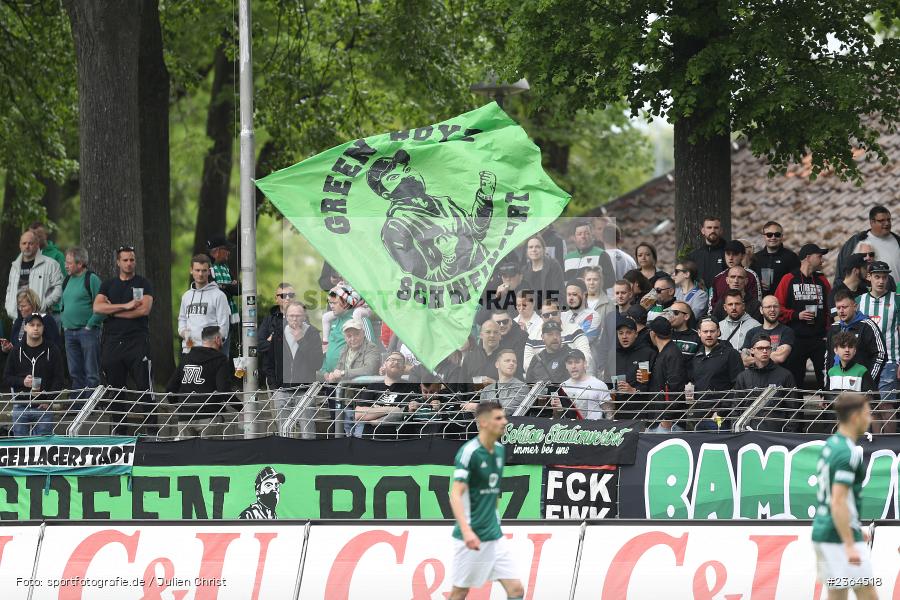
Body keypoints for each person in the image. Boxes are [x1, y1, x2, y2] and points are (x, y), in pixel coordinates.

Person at [448, 402, 524, 600]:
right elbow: (455, 494)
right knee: (459, 592)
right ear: (483, 422)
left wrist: (495, 520)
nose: (504, 422)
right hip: (472, 536)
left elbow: (493, 492)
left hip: (494, 535)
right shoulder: (469, 452)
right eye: (498, 418)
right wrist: (467, 531)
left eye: (504, 417)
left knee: (516, 589)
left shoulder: (499, 451)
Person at [811, 392, 877, 600]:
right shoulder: (846, 453)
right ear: (856, 417)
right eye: (868, 413)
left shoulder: (832, 444)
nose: (871, 418)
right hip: (838, 537)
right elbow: (838, 501)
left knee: (837, 595)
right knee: (868, 595)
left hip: (824, 531)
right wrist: (849, 543)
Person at [93, 246, 154, 394]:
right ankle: (118, 418)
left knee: (144, 384)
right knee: (115, 387)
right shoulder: (108, 285)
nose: (129, 263)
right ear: (118, 262)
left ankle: (150, 417)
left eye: (132, 260)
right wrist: (126, 306)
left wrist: (113, 312)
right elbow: (97, 307)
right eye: (125, 260)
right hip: (113, 341)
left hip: (137, 340)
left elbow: (143, 310)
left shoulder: (143, 284)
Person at [774, 243, 832, 389]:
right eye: (819, 256)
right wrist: (795, 315)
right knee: (795, 378)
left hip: (819, 338)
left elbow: (830, 308)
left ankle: (826, 410)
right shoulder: (788, 279)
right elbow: (777, 307)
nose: (822, 260)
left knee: (825, 377)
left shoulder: (822, 280)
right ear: (808, 257)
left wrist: (828, 331)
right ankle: (796, 412)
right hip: (795, 338)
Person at [165, 325, 236, 439]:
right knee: (210, 454)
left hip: (185, 417)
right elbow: (223, 390)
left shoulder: (187, 358)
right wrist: (241, 408)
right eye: (222, 339)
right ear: (217, 339)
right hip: (209, 415)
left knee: (187, 454)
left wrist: (181, 408)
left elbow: (170, 388)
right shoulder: (220, 359)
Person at [856, 260, 900, 434]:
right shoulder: (859, 301)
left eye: (884, 277)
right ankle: (876, 445)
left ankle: (890, 446)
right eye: (877, 277)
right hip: (866, 361)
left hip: (890, 359)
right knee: (870, 403)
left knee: (886, 403)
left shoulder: (896, 300)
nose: (881, 281)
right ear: (869, 277)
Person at [2, 313, 64, 436]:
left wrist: (49, 400)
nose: (35, 328)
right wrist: (22, 381)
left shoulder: (52, 349)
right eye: (32, 325)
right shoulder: (16, 350)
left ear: (43, 328)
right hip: (20, 405)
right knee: (21, 447)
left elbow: (59, 379)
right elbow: (6, 378)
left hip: (43, 407)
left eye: (39, 325)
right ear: (25, 327)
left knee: (43, 448)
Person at [264, 302, 323, 427]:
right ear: (285, 316)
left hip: (305, 391)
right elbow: (270, 362)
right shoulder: (279, 333)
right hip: (282, 390)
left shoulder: (312, 333)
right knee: (284, 432)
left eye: (298, 315)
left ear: (304, 316)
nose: (294, 319)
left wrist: (301, 340)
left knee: (307, 433)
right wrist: (274, 386)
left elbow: (317, 363)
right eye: (291, 316)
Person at [60, 246, 104, 396]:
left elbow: (102, 305)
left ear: (80, 264)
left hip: (87, 332)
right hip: (69, 333)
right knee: (74, 371)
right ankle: (77, 405)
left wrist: (90, 325)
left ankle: (90, 407)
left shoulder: (91, 279)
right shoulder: (67, 280)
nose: (66, 265)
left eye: (69, 263)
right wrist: (64, 324)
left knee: (91, 372)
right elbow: (63, 303)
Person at [735, 333, 798, 431]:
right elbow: (737, 408)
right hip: (747, 434)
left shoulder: (785, 375)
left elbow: (793, 409)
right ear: (752, 351)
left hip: (776, 434)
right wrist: (737, 433)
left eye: (768, 348)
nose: (764, 351)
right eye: (760, 348)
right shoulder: (743, 377)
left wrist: (787, 434)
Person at [690, 318, 743, 429]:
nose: (709, 335)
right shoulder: (696, 356)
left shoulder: (731, 354)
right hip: (698, 416)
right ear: (699, 333)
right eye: (705, 332)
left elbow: (739, 386)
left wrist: (721, 412)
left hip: (720, 417)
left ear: (718, 332)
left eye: (712, 331)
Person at [825, 289, 886, 386]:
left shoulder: (867, 326)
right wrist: (827, 386)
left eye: (844, 307)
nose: (841, 311)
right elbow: (828, 357)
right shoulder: (834, 328)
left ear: (855, 306)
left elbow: (880, 354)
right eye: (838, 308)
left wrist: (867, 381)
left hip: (860, 385)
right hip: (836, 383)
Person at [353, 352, 418, 437]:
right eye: (392, 359)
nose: (395, 362)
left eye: (399, 361)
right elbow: (358, 414)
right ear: (385, 364)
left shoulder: (410, 388)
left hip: (398, 441)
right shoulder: (373, 386)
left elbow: (401, 414)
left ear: (404, 368)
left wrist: (373, 417)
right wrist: (390, 409)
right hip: (370, 441)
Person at [176, 254, 230, 355]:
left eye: (204, 270)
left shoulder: (219, 295)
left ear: (209, 271)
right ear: (191, 270)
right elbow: (182, 321)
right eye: (197, 270)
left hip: (210, 352)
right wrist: (185, 334)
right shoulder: (186, 296)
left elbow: (224, 328)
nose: (200, 274)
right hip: (189, 350)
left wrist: (211, 344)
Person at [523, 298, 592, 374]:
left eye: (554, 313)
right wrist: (550, 374)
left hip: (571, 377)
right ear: (541, 317)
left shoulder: (575, 330)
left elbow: (585, 357)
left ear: (560, 313)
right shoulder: (533, 336)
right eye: (546, 315)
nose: (550, 317)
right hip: (543, 380)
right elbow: (527, 365)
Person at [4, 230, 63, 319]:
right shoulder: (14, 266)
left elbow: (59, 287)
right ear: (20, 245)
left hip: (40, 319)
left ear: (37, 245)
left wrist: (44, 304)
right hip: (17, 318)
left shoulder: (51, 264)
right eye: (24, 243)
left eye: (30, 243)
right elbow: (9, 290)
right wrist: (9, 309)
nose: (27, 246)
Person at [836, 205, 900, 286]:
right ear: (872, 222)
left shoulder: (897, 241)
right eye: (882, 220)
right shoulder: (857, 241)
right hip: (866, 296)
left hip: (895, 296)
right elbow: (842, 271)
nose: (887, 223)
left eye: (889, 220)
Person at [320, 284, 374, 376]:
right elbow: (327, 349)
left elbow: (371, 351)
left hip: (352, 380)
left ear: (345, 302)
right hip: (331, 379)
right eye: (330, 303)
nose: (331, 306)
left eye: (335, 303)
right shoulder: (332, 321)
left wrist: (345, 373)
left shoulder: (360, 319)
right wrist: (324, 371)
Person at [645, 317, 687, 433]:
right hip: (658, 419)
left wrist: (667, 417)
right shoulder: (665, 352)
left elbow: (675, 387)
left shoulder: (672, 353)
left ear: (652, 333)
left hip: (668, 423)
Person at [612, 314, 656, 420]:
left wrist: (633, 390)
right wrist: (610, 391)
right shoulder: (612, 354)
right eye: (621, 333)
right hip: (616, 411)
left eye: (628, 332)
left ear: (636, 334)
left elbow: (652, 386)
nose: (624, 336)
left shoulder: (647, 354)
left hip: (639, 412)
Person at [207, 236, 240, 353]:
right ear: (216, 252)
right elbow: (215, 290)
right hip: (214, 319)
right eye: (226, 249)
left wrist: (226, 286)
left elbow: (237, 289)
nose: (229, 252)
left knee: (224, 355)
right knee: (213, 353)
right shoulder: (208, 269)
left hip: (229, 316)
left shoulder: (226, 268)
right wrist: (229, 286)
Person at [741, 295, 795, 367]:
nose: (772, 309)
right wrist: (773, 354)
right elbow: (744, 361)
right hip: (756, 376)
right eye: (768, 307)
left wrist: (756, 355)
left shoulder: (787, 331)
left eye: (775, 306)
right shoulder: (751, 332)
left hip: (779, 376)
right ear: (761, 310)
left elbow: (780, 357)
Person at [258, 282, 295, 387]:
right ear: (276, 299)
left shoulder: (302, 319)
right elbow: (260, 345)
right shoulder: (269, 320)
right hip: (273, 376)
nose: (287, 298)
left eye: (291, 295)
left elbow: (305, 346)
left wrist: (273, 340)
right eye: (283, 295)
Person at [2, 289, 61, 353]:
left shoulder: (46, 320)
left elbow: (54, 347)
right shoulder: (18, 322)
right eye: (19, 306)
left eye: (23, 306)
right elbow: (14, 344)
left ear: (33, 305)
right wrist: (7, 348)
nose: (20, 309)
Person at [709, 240, 762, 310]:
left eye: (735, 254)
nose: (731, 258)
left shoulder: (751, 276)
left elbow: (757, 303)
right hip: (720, 319)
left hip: (747, 317)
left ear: (742, 256)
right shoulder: (718, 278)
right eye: (728, 254)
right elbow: (712, 306)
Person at [751, 221, 801, 294]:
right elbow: (748, 280)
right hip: (760, 302)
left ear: (781, 236)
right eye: (769, 235)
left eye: (777, 235)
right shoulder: (756, 257)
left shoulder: (791, 257)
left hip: (782, 302)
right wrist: (757, 284)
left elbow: (797, 282)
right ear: (764, 237)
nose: (773, 237)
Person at [561, 348, 611, 419]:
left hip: (594, 428)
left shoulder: (599, 385)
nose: (573, 366)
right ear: (566, 366)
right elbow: (557, 416)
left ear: (585, 363)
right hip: (570, 429)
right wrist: (556, 410)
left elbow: (609, 413)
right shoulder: (562, 387)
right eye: (570, 363)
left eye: (577, 362)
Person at [563, 221, 615, 288]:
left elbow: (611, 281)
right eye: (579, 234)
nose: (583, 236)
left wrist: (588, 284)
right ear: (574, 238)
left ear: (592, 236)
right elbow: (562, 282)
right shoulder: (567, 258)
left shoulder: (602, 254)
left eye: (587, 233)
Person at [477, 349, 529, 413]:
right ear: (497, 364)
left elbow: (506, 410)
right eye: (507, 361)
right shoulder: (486, 390)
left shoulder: (522, 387)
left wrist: (477, 407)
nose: (512, 363)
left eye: (514, 362)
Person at [522, 235, 564, 309]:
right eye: (530, 247)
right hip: (532, 312)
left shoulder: (553, 265)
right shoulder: (524, 270)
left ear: (544, 249)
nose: (534, 250)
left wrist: (547, 309)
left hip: (551, 309)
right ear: (527, 251)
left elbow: (558, 293)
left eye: (537, 247)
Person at [687, 217, 727, 291]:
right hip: (700, 298)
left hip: (722, 297)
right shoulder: (694, 256)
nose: (712, 230)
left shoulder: (728, 253)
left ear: (721, 230)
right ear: (703, 231)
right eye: (709, 227)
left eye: (716, 228)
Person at [491, 309, 527, 376]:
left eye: (505, 321)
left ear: (510, 321)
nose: (501, 325)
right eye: (498, 323)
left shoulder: (522, 336)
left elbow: (516, 365)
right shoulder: (488, 337)